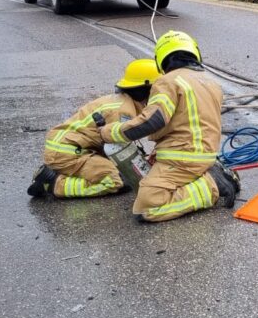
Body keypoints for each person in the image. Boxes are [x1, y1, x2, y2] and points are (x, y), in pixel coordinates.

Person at [99, 31, 240, 222]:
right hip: (203, 156)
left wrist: (109, 132)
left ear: (161, 60)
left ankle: (211, 185)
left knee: (148, 207)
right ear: (195, 53)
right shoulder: (211, 83)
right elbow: (189, 122)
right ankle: (208, 175)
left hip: (181, 159)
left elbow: (152, 120)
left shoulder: (168, 81)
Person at [27, 59, 161, 199]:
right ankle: (52, 184)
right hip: (68, 153)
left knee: (116, 172)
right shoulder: (123, 112)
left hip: (69, 148)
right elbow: (120, 150)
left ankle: (61, 172)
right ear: (148, 90)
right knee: (114, 181)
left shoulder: (123, 102)